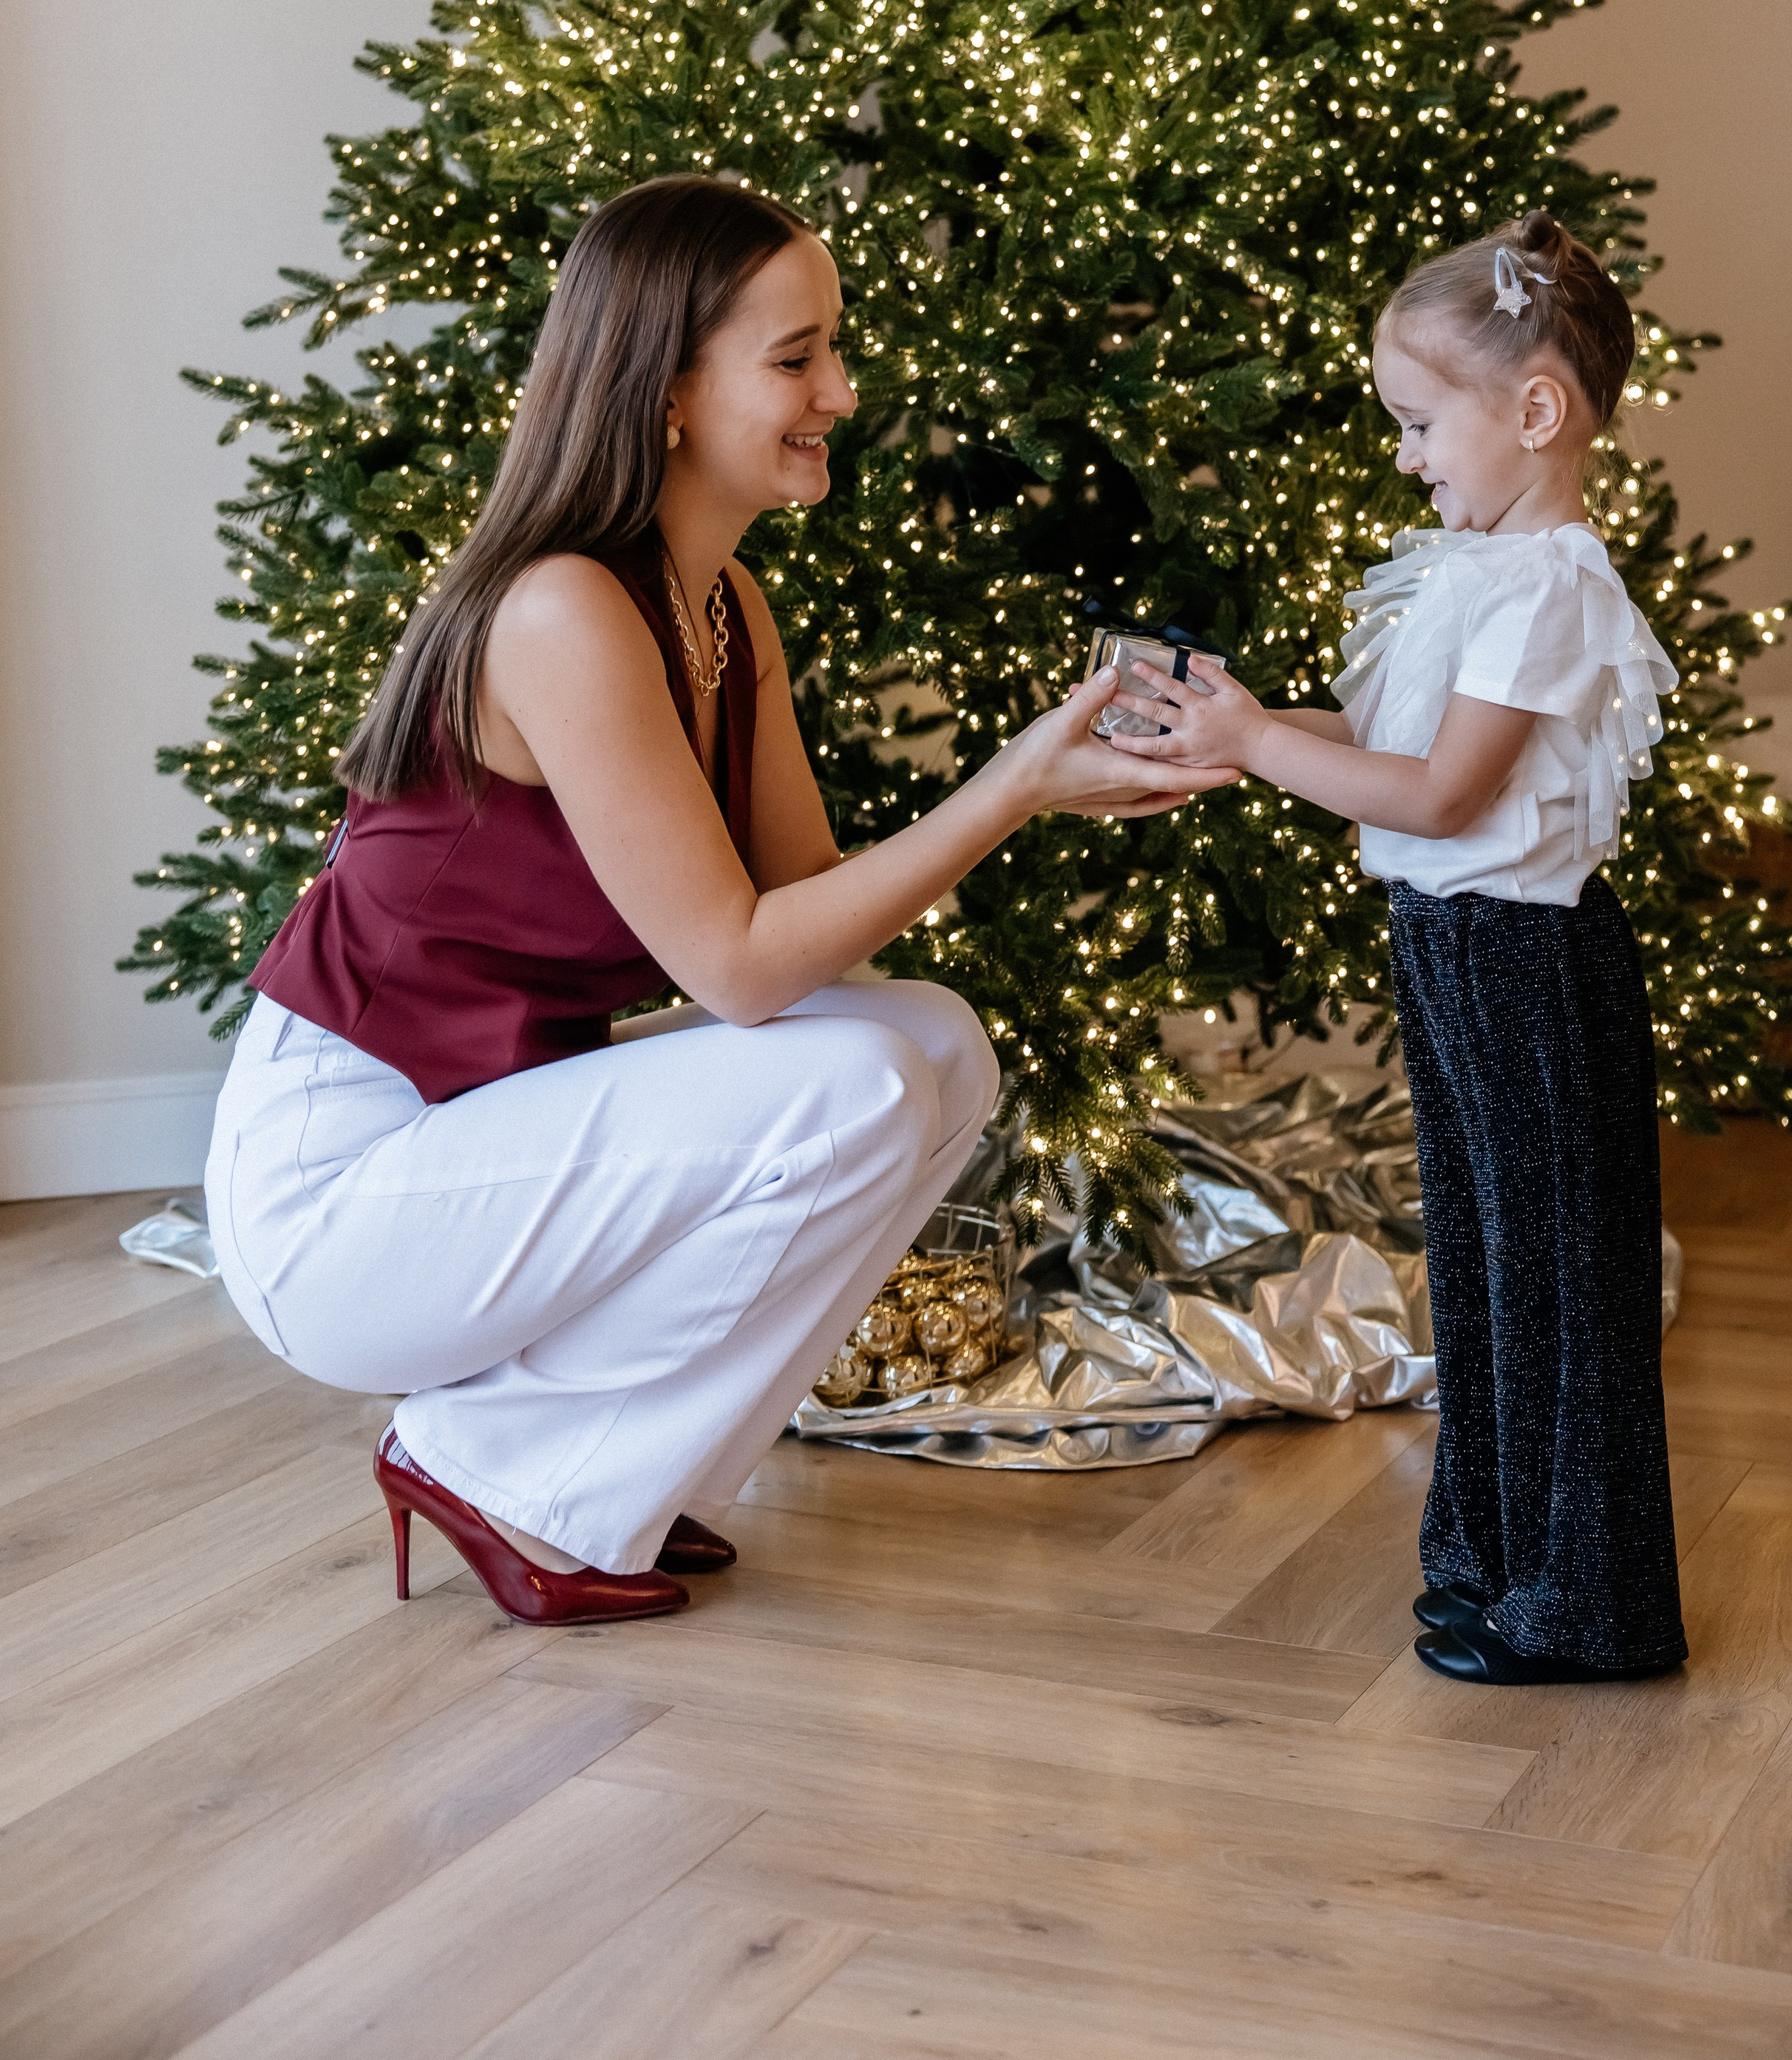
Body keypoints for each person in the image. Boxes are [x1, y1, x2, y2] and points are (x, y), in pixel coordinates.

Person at [207, 175, 1234, 1626]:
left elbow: (804, 916)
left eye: (835, 351)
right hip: (343, 1188)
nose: (843, 393)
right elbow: (741, 973)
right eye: (797, 357)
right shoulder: (563, 608)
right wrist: (1005, 788)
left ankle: (620, 1475)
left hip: (478, 1136)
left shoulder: (722, 608)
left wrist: (1045, 789)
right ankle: (496, 1466)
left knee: (931, 1045)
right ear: (669, 391)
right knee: (857, 1082)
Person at [1128, 209, 1688, 1684]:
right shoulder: (1473, 568)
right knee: (1486, 1262)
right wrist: (1244, 729)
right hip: (1450, 945)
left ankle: (1587, 1605)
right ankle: (1492, 1556)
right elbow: (1387, 744)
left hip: (1521, 960)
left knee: (1550, 1277)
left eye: (1420, 422)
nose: (1405, 455)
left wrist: (1260, 744)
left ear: (1535, 412)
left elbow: (1443, 795)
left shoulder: (1550, 584)